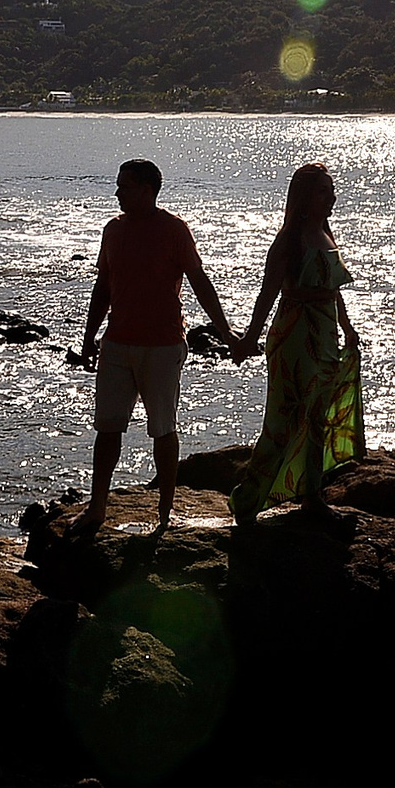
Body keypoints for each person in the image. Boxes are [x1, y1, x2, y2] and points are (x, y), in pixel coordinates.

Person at [72, 159, 237, 534]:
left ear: (147, 190)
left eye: (124, 186)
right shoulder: (113, 230)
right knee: (108, 428)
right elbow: (103, 288)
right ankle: (97, 507)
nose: (117, 193)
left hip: (162, 346)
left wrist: (226, 332)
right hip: (116, 343)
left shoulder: (174, 230)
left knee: (162, 429)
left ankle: (165, 512)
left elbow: (200, 282)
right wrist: (88, 339)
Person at [228, 161, 365, 522]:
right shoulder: (290, 238)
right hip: (293, 336)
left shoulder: (325, 232)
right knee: (284, 418)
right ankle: (248, 499)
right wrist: (249, 339)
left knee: (318, 415)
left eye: (331, 189)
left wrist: (347, 327)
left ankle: (312, 496)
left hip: (323, 336)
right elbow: (267, 293)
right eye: (323, 190)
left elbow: (332, 289)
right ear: (304, 197)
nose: (331, 196)